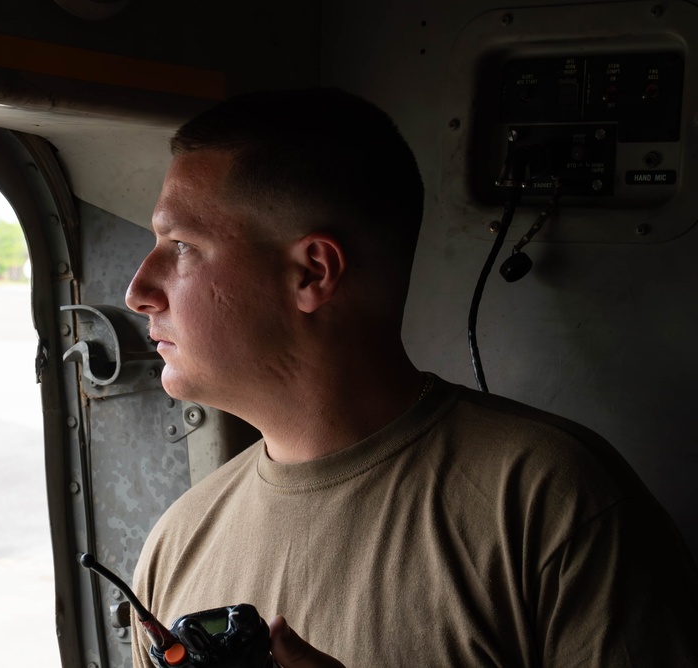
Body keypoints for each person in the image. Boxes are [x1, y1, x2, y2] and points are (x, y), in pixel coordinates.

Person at [124, 87, 698, 667]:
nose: (138, 292)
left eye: (181, 246)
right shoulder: (177, 543)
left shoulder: (551, 502)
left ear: (311, 272)